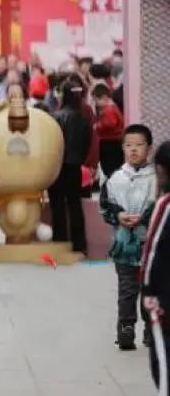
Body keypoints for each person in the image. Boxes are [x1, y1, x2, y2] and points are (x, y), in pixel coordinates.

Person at [100, 124, 157, 351]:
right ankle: (126, 328)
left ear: (149, 148)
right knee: (127, 289)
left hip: (151, 247)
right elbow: (105, 205)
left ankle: (151, 329)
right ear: (123, 148)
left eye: (139, 145)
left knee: (150, 289)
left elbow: (161, 205)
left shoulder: (157, 178)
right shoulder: (115, 179)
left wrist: (146, 218)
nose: (133, 150)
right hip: (124, 246)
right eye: (129, 145)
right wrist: (118, 215)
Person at [50, 75, 93, 254]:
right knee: (75, 205)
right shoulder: (84, 118)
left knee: (57, 205)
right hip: (74, 167)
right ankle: (79, 244)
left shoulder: (56, 116)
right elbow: (87, 144)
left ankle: (60, 241)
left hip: (57, 166)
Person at [141, 141, 170, 393]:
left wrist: (148, 292)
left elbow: (152, 250)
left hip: (164, 302)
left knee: (163, 367)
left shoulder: (166, 205)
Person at [94, 83, 126, 182]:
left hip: (110, 143)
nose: (96, 103)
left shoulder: (108, 110)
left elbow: (110, 124)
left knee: (110, 169)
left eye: (96, 100)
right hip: (114, 142)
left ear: (104, 97)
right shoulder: (113, 107)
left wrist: (97, 126)